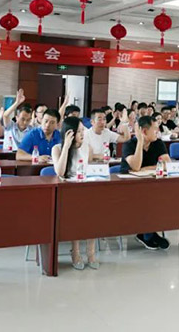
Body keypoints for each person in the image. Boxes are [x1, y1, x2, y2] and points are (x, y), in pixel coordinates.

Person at [52, 116, 98, 270]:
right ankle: (75, 252)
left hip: (85, 189)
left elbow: (89, 171)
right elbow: (60, 172)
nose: (82, 134)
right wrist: (66, 147)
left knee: (94, 213)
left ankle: (91, 252)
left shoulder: (87, 147)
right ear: (69, 133)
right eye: (78, 131)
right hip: (66, 193)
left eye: (83, 130)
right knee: (78, 214)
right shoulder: (57, 148)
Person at [120, 116, 171, 251]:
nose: (158, 131)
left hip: (150, 186)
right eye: (155, 129)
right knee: (149, 200)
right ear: (144, 131)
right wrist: (140, 142)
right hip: (128, 188)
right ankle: (148, 235)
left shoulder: (158, 143)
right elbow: (136, 167)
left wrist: (146, 169)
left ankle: (147, 233)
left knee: (160, 199)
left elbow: (167, 164)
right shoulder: (129, 145)